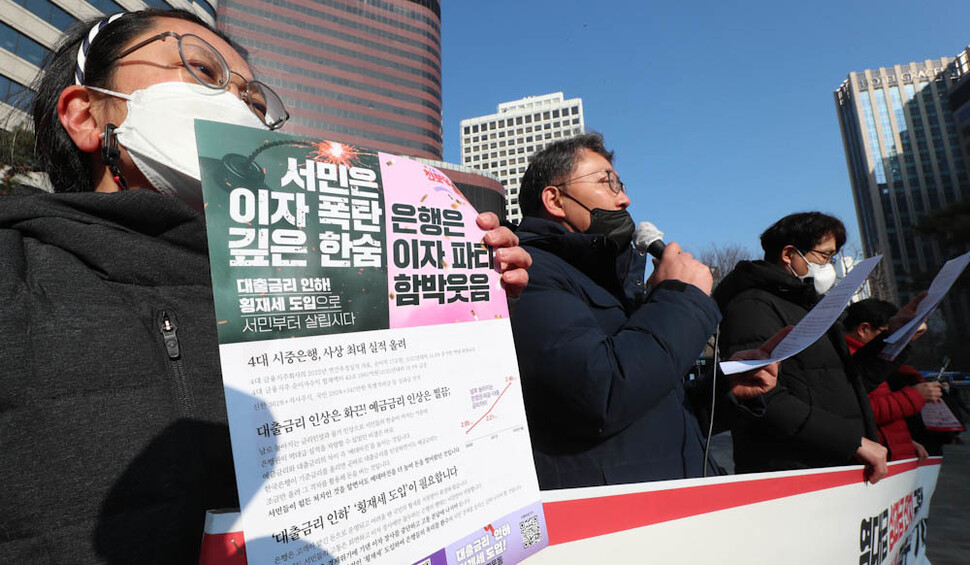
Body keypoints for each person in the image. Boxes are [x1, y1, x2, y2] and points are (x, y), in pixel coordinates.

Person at [0, 10, 531, 563]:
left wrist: (467, 303)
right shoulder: (14, 275)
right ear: (86, 116)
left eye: (255, 103)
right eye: (202, 71)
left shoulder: (329, 284)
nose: (235, 107)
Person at [509, 133, 784, 489]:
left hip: (677, 506)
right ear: (555, 200)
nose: (624, 198)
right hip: (619, 523)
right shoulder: (526, 274)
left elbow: (648, 409)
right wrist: (678, 299)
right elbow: (600, 395)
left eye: (620, 184)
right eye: (606, 183)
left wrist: (723, 389)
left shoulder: (612, 282)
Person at [714, 212, 917, 483]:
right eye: (824, 256)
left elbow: (844, 381)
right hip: (793, 470)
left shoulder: (810, 306)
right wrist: (851, 441)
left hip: (832, 463)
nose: (829, 265)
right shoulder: (752, 306)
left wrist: (896, 336)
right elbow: (762, 398)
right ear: (789, 254)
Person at [843, 298, 941, 461]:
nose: (892, 340)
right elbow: (861, 409)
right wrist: (914, 396)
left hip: (892, 455)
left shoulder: (873, 359)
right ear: (864, 329)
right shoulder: (846, 360)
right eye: (886, 333)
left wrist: (906, 442)